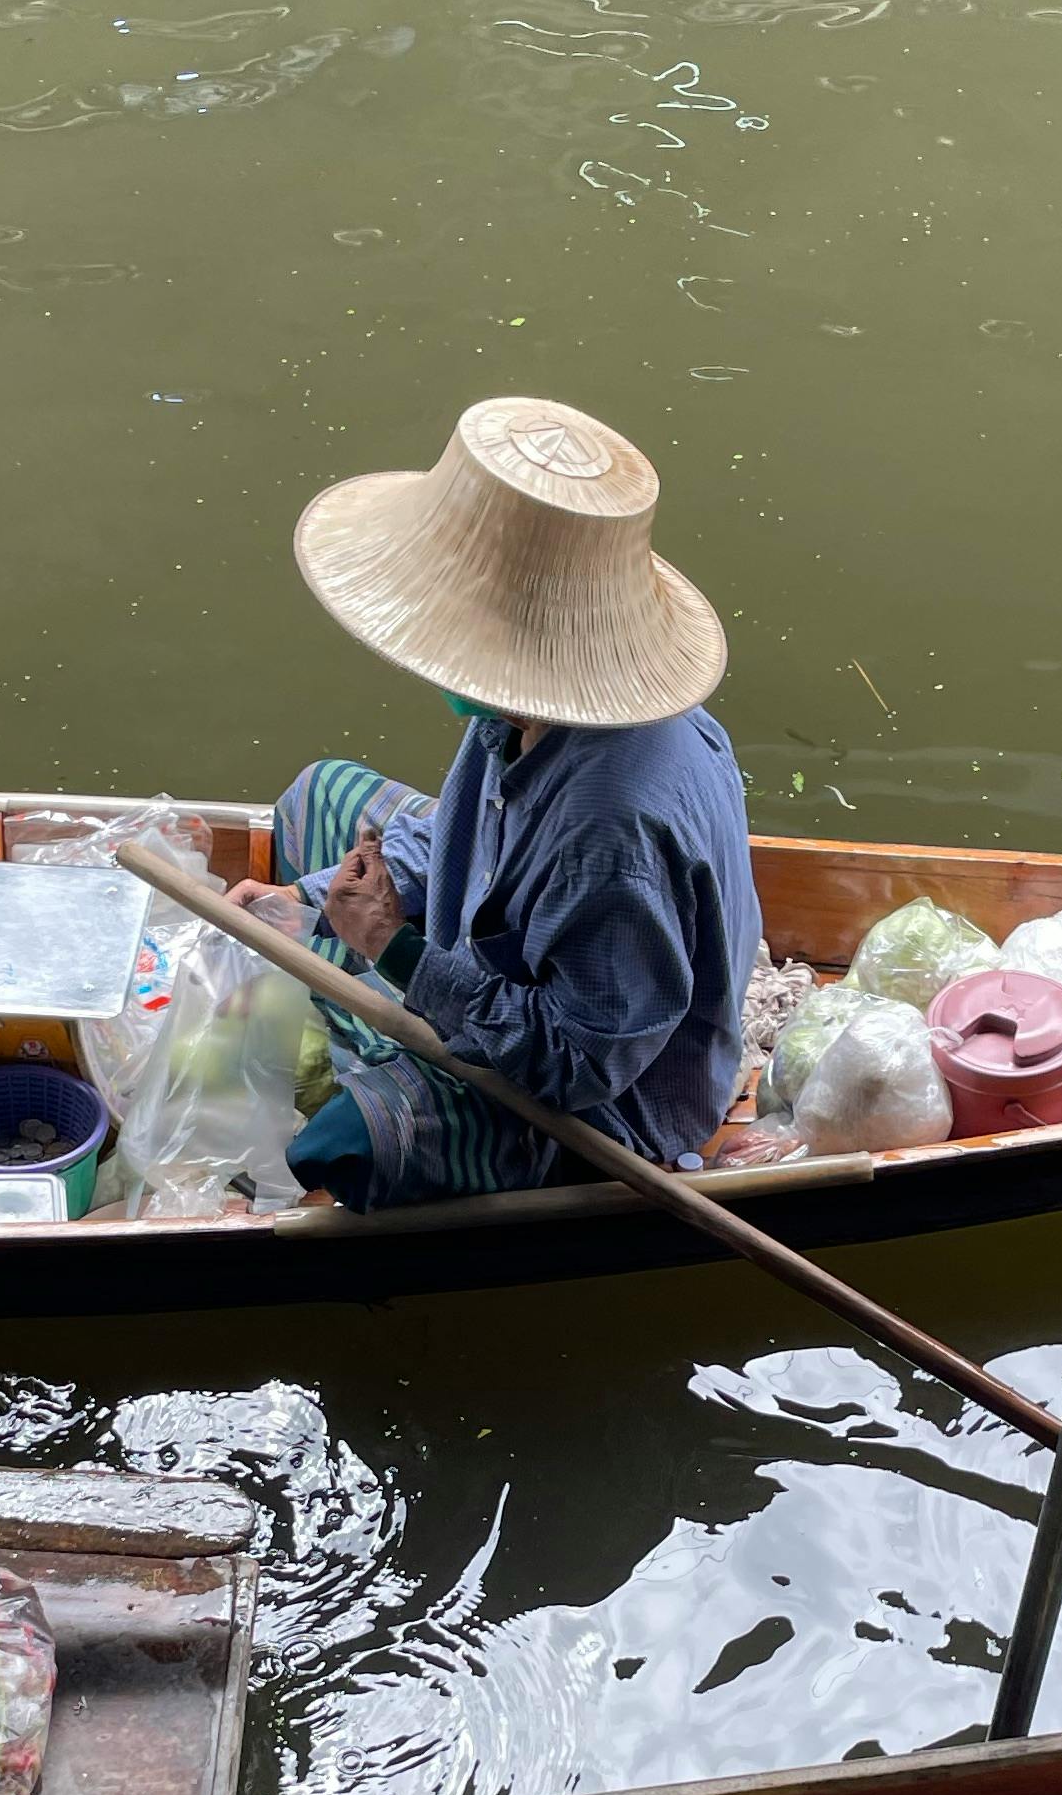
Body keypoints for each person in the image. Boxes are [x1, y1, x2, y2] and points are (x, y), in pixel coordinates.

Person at [256, 395, 760, 1208]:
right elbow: (466, 835)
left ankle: (393, 1049)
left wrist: (391, 946)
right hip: (512, 968)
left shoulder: (610, 828)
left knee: (343, 1147)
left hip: (597, 1111)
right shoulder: (528, 706)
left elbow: (579, 1063)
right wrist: (305, 903)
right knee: (318, 795)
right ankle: (380, 1013)